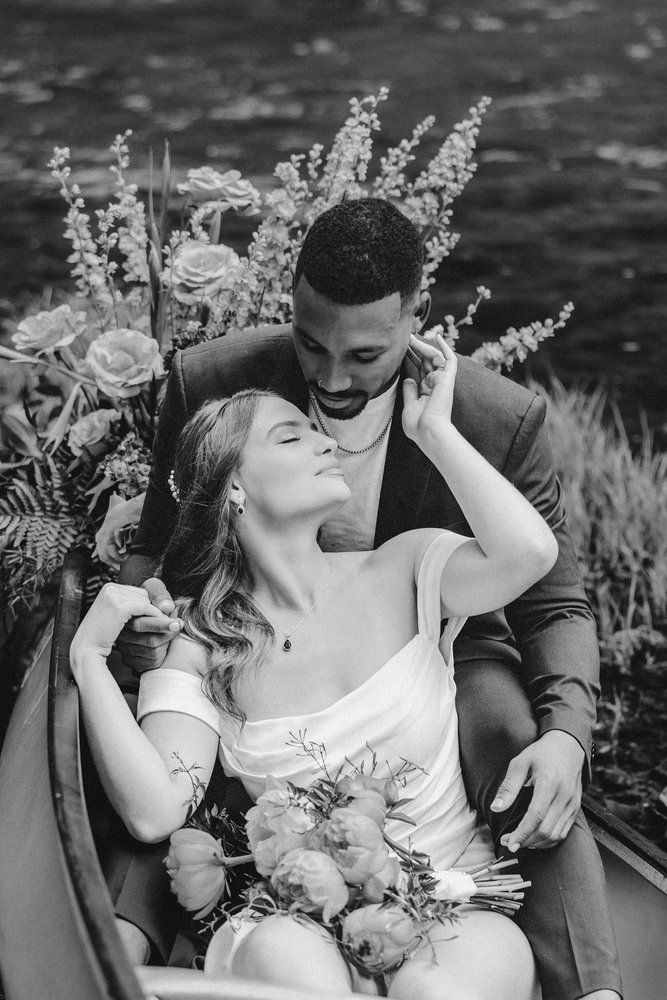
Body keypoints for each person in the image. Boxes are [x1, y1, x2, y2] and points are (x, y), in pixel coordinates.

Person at [114, 199, 621, 999]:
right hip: (250, 631)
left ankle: (589, 985)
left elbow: (550, 598)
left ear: (417, 314)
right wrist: (138, 621)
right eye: (311, 344)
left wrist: (567, 735)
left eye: (363, 354)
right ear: (292, 297)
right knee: (164, 736)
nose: (330, 378)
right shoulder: (214, 378)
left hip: (440, 622)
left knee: (515, 739)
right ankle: (113, 948)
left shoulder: (495, 416)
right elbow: (162, 543)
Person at [73, 353, 558, 997]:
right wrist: (88, 660)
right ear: (234, 487)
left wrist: (435, 433)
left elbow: (530, 553)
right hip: (298, 921)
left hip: (454, 907)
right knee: (297, 972)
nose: (326, 441)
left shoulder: (404, 568)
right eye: (290, 436)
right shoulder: (202, 644)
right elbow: (154, 811)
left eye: (316, 431)